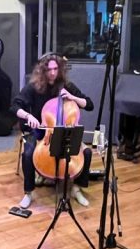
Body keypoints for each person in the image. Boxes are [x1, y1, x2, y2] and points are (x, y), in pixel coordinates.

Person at [10, 52, 94, 210]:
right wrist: (28, 116)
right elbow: (15, 105)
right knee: (28, 154)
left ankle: (76, 189)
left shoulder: (66, 86)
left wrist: (73, 98)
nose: (53, 73)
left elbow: (89, 104)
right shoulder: (34, 87)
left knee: (87, 153)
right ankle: (28, 193)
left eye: (56, 69)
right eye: (49, 69)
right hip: (41, 132)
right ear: (43, 70)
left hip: (64, 133)